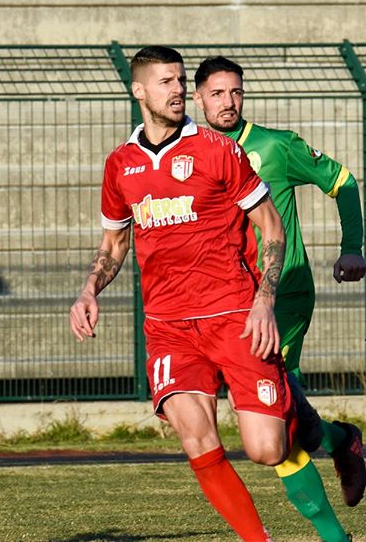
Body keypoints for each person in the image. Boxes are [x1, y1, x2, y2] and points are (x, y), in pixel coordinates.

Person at [70, 46, 294, 542]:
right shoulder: (121, 164)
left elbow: (271, 226)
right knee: (196, 437)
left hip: (235, 313)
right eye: (166, 82)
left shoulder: (218, 150)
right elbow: (115, 241)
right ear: (139, 90)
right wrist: (89, 288)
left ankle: (313, 423)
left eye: (179, 81)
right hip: (169, 326)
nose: (177, 90)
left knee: (266, 450)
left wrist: (264, 301)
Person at [194, 56, 366, 542]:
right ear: (199, 98)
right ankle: (340, 441)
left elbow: (343, 182)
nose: (228, 103)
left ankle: (335, 535)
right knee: (281, 417)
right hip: (230, 302)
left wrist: (352, 248)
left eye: (235, 93)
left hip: (284, 293)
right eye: (217, 94)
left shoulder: (275, 146)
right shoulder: (193, 154)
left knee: (275, 417)